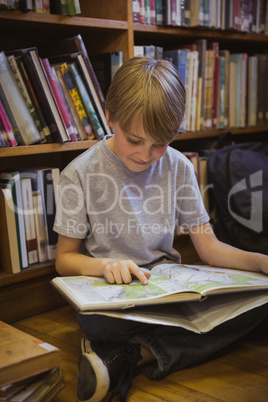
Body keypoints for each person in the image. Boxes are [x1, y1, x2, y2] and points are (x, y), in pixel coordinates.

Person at [53, 57, 268, 402]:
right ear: (110, 116)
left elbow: (209, 248)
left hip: (168, 290)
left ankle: (129, 357)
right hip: (112, 298)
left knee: (261, 300)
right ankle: (142, 349)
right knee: (98, 323)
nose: (146, 155)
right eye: (134, 140)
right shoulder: (79, 174)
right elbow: (64, 259)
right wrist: (105, 267)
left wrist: (259, 262)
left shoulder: (179, 167)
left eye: (160, 143)